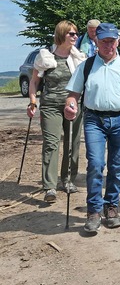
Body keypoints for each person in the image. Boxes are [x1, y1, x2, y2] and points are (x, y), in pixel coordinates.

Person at [64, 22, 120, 233]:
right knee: (95, 164)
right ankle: (93, 211)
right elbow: (73, 95)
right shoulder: (86, 65)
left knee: (115, 166)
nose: (108, 46)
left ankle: (111, 207)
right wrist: (70, 105)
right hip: (94, 120)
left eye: (112, 41)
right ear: (96, 41)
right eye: (104, 41)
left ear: (118, 42)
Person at [27, 21, 86, 202]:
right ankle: (50, 186)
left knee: (72, 144)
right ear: (61, 35)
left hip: (74, 105)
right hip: (50, 105)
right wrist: (32, 102)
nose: (75, 36)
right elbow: (34, 82)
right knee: (52, 144)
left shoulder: (79, 58)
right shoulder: (46, 57)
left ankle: (67, 180)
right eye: (71, 33)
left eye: (75, 33)